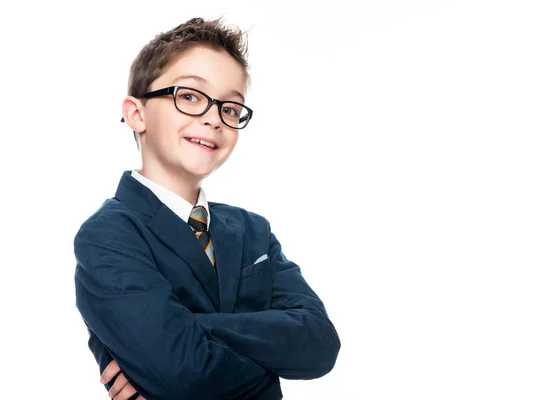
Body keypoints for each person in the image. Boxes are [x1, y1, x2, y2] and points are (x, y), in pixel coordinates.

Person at [73, 17, 340, 400]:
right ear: (137, 113)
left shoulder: (253, 231)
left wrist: (190, 328)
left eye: (231, 108)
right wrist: (268, 368)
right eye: (190, 96)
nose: (215, 118)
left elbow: (319, 346)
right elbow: (186, 375)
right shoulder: (109, 235)